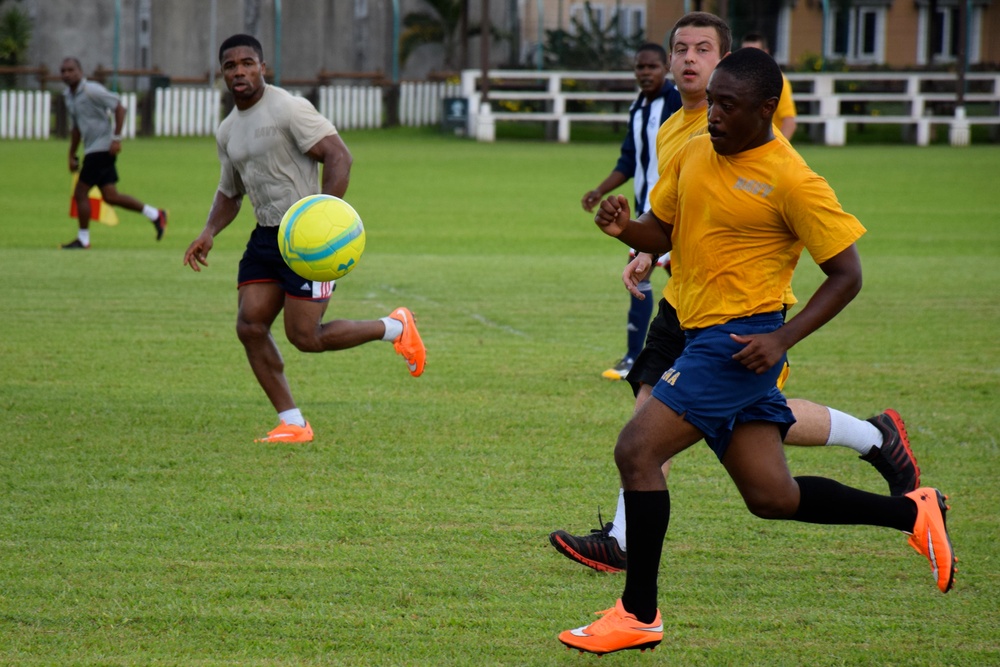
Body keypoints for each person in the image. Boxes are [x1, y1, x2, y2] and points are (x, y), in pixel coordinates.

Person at [557, 47, 956, 657]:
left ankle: (638, 614)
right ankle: (915, 514)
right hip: (697, 330)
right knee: (772, 496)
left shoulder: (792, 178)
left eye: (727, 105)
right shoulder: (694, 151)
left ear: (766, 108)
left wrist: (782, 338)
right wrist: (623, 230)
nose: (712, 114)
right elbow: (663, 230)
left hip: (739, 341)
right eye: (711, 100)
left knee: (636, 448)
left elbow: (846, 274)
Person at [182, 34, 426, 444]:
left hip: (307, 241)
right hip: (264, 238)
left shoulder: (289, 109)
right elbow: (229, 191)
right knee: (250, 325)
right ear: (221, 73)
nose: (239, 71)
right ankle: (293, 422)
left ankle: (394, 327)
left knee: (305, 338)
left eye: (247, 63)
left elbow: (338, 155)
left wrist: (324, 215)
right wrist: (208, 231)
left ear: (263, 67)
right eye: (230, 66)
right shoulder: (227, 130)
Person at [581, 43, 681, 381]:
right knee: (644, 278)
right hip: (646, 214)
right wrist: (600, 190)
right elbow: (628, 158)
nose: (644, 73)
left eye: (651, 66)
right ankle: (638, 358)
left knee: (681, 284)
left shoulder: (677, 102)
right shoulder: (638, 106)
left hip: (675, 209)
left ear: (666, 67)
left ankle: (641, 358)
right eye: (639, 67)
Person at [59, 57, 167, 249]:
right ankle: (156, 215)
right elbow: (76, 128)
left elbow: (119, 107)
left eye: (71, 70)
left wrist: (116, 138)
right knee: (110, 196)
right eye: (63, 71)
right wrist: (71, 154)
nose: (66, 74)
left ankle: (83, 240)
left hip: (102, 148)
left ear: (80, 71)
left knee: (80, 192)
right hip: (92, 149)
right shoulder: (69, 96)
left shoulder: (91, 90)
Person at [741, 32, 797, 140]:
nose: (749, 58)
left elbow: (789, 122)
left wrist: (777, 150)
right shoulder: (737, 80)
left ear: (765, 53)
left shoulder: (777, 81)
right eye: (745, 52)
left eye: (755, 52)